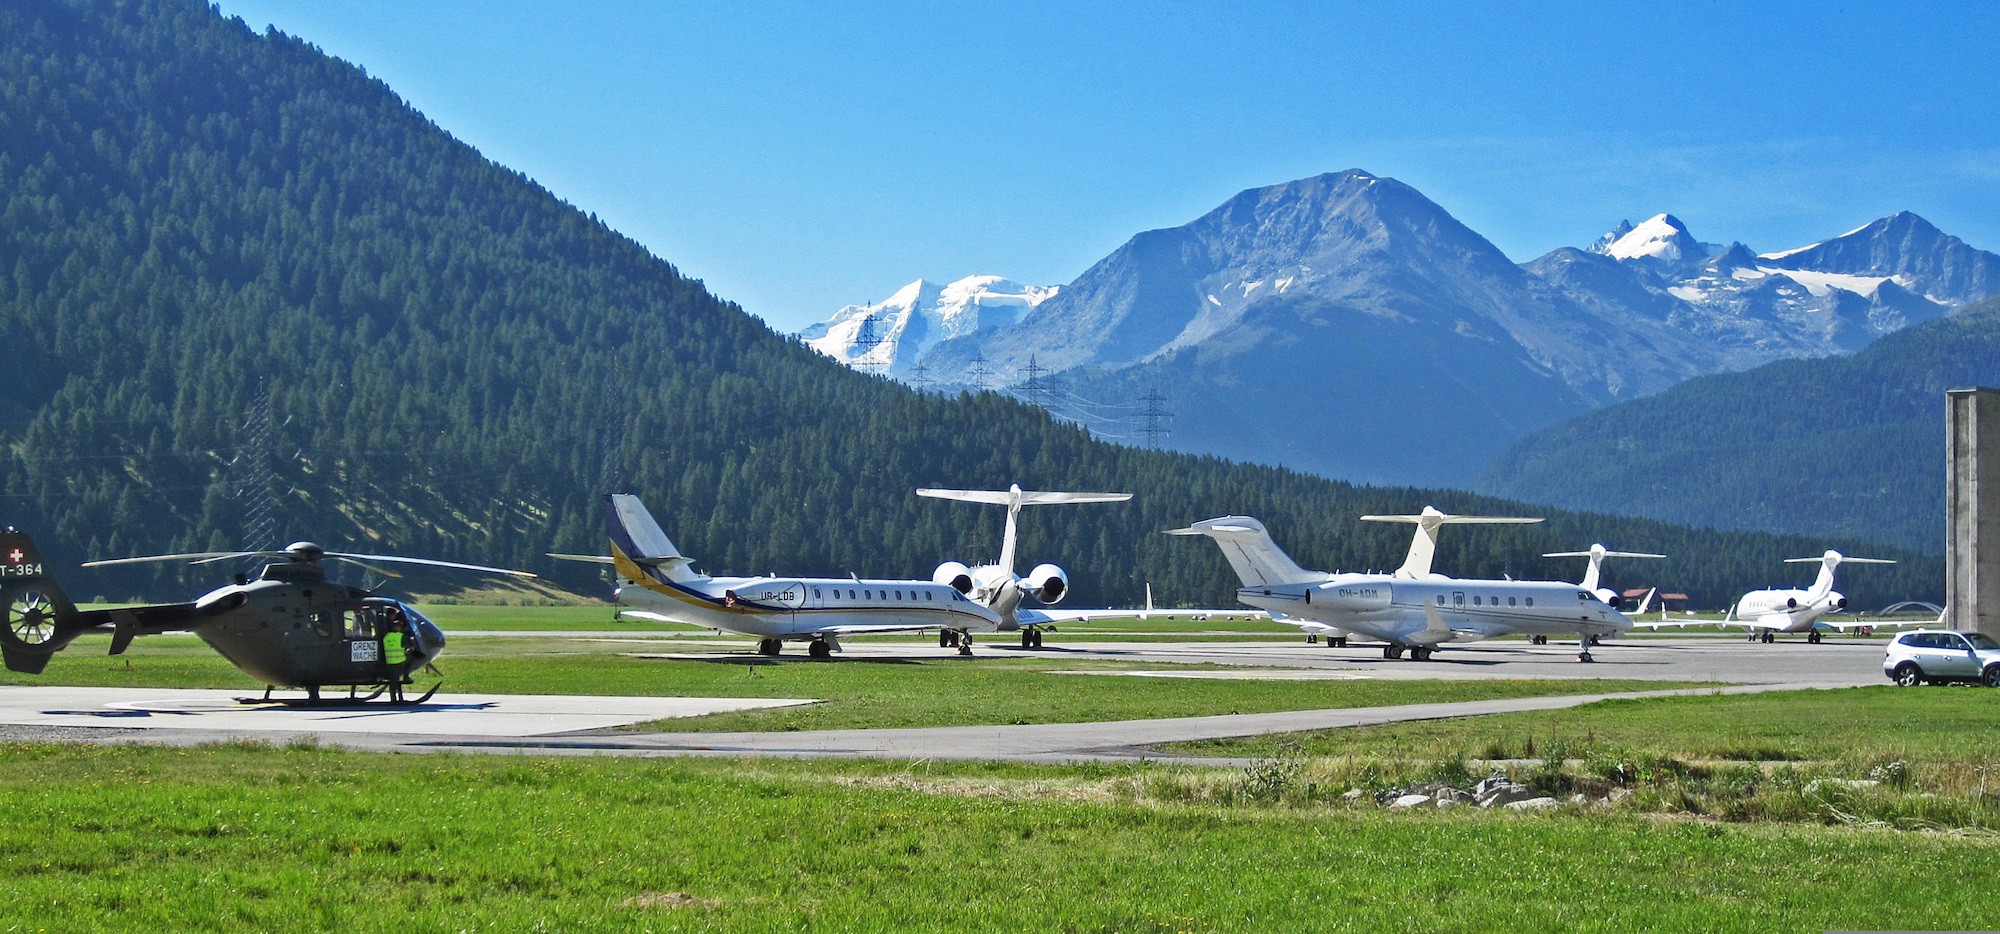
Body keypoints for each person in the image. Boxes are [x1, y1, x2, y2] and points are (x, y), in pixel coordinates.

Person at [381, 609, 409, 703]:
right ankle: (406, 676)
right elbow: (409, 647)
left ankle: (393, 698)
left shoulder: (386, 636)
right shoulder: (401, 637)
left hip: (389, 661)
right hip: (400, 662)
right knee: (411, 657)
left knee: (393, 681)